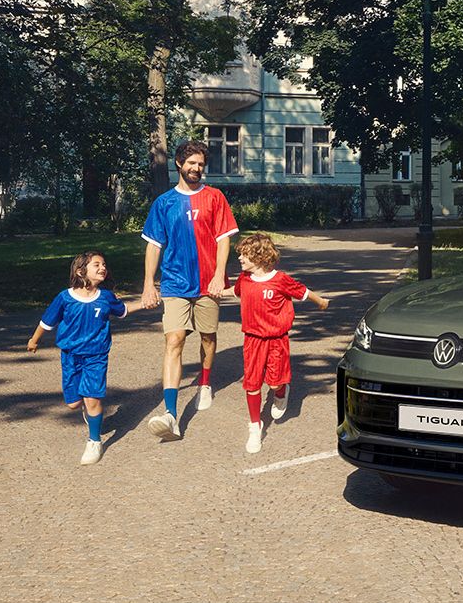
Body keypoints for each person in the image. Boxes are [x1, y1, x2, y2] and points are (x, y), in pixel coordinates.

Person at [140, 140, 238, 440]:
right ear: (179, 165)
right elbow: (154, 246)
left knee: (208, 337)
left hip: (208, 283)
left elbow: (224, 239)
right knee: (174, 340)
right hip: (174, 284)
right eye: (191, 163)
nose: (196, 168)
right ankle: (171, 415)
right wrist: (148, 284)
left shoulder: (215, 197)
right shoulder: (164, 203)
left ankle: (205, 382)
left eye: (200, 164)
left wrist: (220, 275)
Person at [27, 251, 146, 464]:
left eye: (104, 265)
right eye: (96, 264)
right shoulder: (64, 298)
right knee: (73, 403)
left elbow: (123, 310)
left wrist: (145, 303)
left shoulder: (106, 297)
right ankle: (88, 411)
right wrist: (34, 340)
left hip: (96, 356)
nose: (103, 268)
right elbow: (47, 322)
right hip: (70, 356)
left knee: (93, 398)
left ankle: (94, 441)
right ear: (81, 271)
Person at [228, 232, 329, 454]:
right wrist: (212, 291)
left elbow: (303, 292)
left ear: (259, 256)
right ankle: (255, 426)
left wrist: (320, 301)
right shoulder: (244, 280)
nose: (239, 259)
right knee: (252, 384)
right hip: (252, 340)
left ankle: (281, 393)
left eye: (244, 255)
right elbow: (233, 292)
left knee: (274, 383)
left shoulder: (280, 279)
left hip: (276, 340)